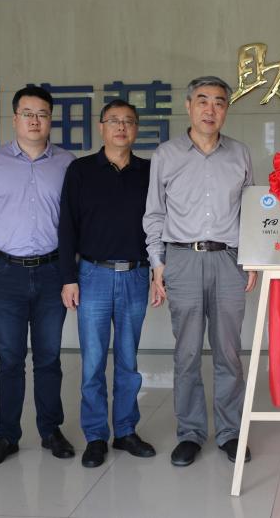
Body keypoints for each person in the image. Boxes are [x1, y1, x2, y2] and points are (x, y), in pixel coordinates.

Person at [143, 75, 256, 468]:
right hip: (182, 260)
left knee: (229, 352)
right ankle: (190, 433)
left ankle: (230, 432)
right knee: (187, 352)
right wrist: (158, 264)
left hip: (228, 261)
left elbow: (251, 212)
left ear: (227, 109)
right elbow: (154, 214)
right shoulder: (166, 155)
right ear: (188, 106)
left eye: (219, 102)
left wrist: (251, 257)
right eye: (203, 101)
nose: (211, 109)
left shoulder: (240, 154)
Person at [0, 85, 76, 468]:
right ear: (14, 118)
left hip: (52, 271)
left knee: (49, 358)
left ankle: (50, 430)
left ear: (50, 120)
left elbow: (75, 222)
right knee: (9, 359)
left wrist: (72, 272)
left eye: (42, 114)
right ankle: (6, 436)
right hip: (6, 271)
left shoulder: (67, 163)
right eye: (27, 113)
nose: (34, 120)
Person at [59, 100, 162, 468]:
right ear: (101, 127)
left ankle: (126, 430)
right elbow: (66, 227)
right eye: (114, 121)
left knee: (128, 361)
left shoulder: (149, 172)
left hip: (136, 274)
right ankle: (95, 436)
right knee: (92, 362)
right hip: (93, 275)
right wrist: (68, 278)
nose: (121, 127)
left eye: (129, 121)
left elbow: (159, 224)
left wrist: (157, 271)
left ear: (137, 129)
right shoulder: (81, 170)